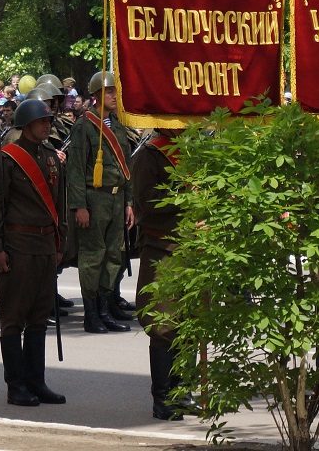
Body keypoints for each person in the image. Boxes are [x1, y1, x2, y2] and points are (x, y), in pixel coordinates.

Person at [0, 96, 66, 407]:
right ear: (27, 124)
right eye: (42, 121)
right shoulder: (7, 159)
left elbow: (60, 205)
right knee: (13, 320)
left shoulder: (51, 157)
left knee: (39, 319)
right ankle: (15, 386)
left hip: (45, 246)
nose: (47, 125)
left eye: (48, 121)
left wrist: (61, 243)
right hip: (17, 247)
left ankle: (37, 381)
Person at [132, 118, 190, 420]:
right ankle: (163, 396)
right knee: (164, 326)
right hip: (162, 250)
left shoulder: (192, 153)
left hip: (192, 248)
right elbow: (146, 202)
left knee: (188, 325)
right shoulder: (150, 155)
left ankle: (183, 390)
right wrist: (185, 198)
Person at [68, 72, 134, 334]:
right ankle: (91, 313)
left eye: (116, 92)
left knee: (113, 255)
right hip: (94, 198)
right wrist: (79, 206)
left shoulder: (118, 126)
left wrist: (129, 201)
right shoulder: (84, 127)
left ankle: (105, 309)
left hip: (117, 198)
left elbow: (126, 167)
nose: (115, 97)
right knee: (93, 256)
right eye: (109, 92)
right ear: (96, 96)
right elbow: (74, 170)